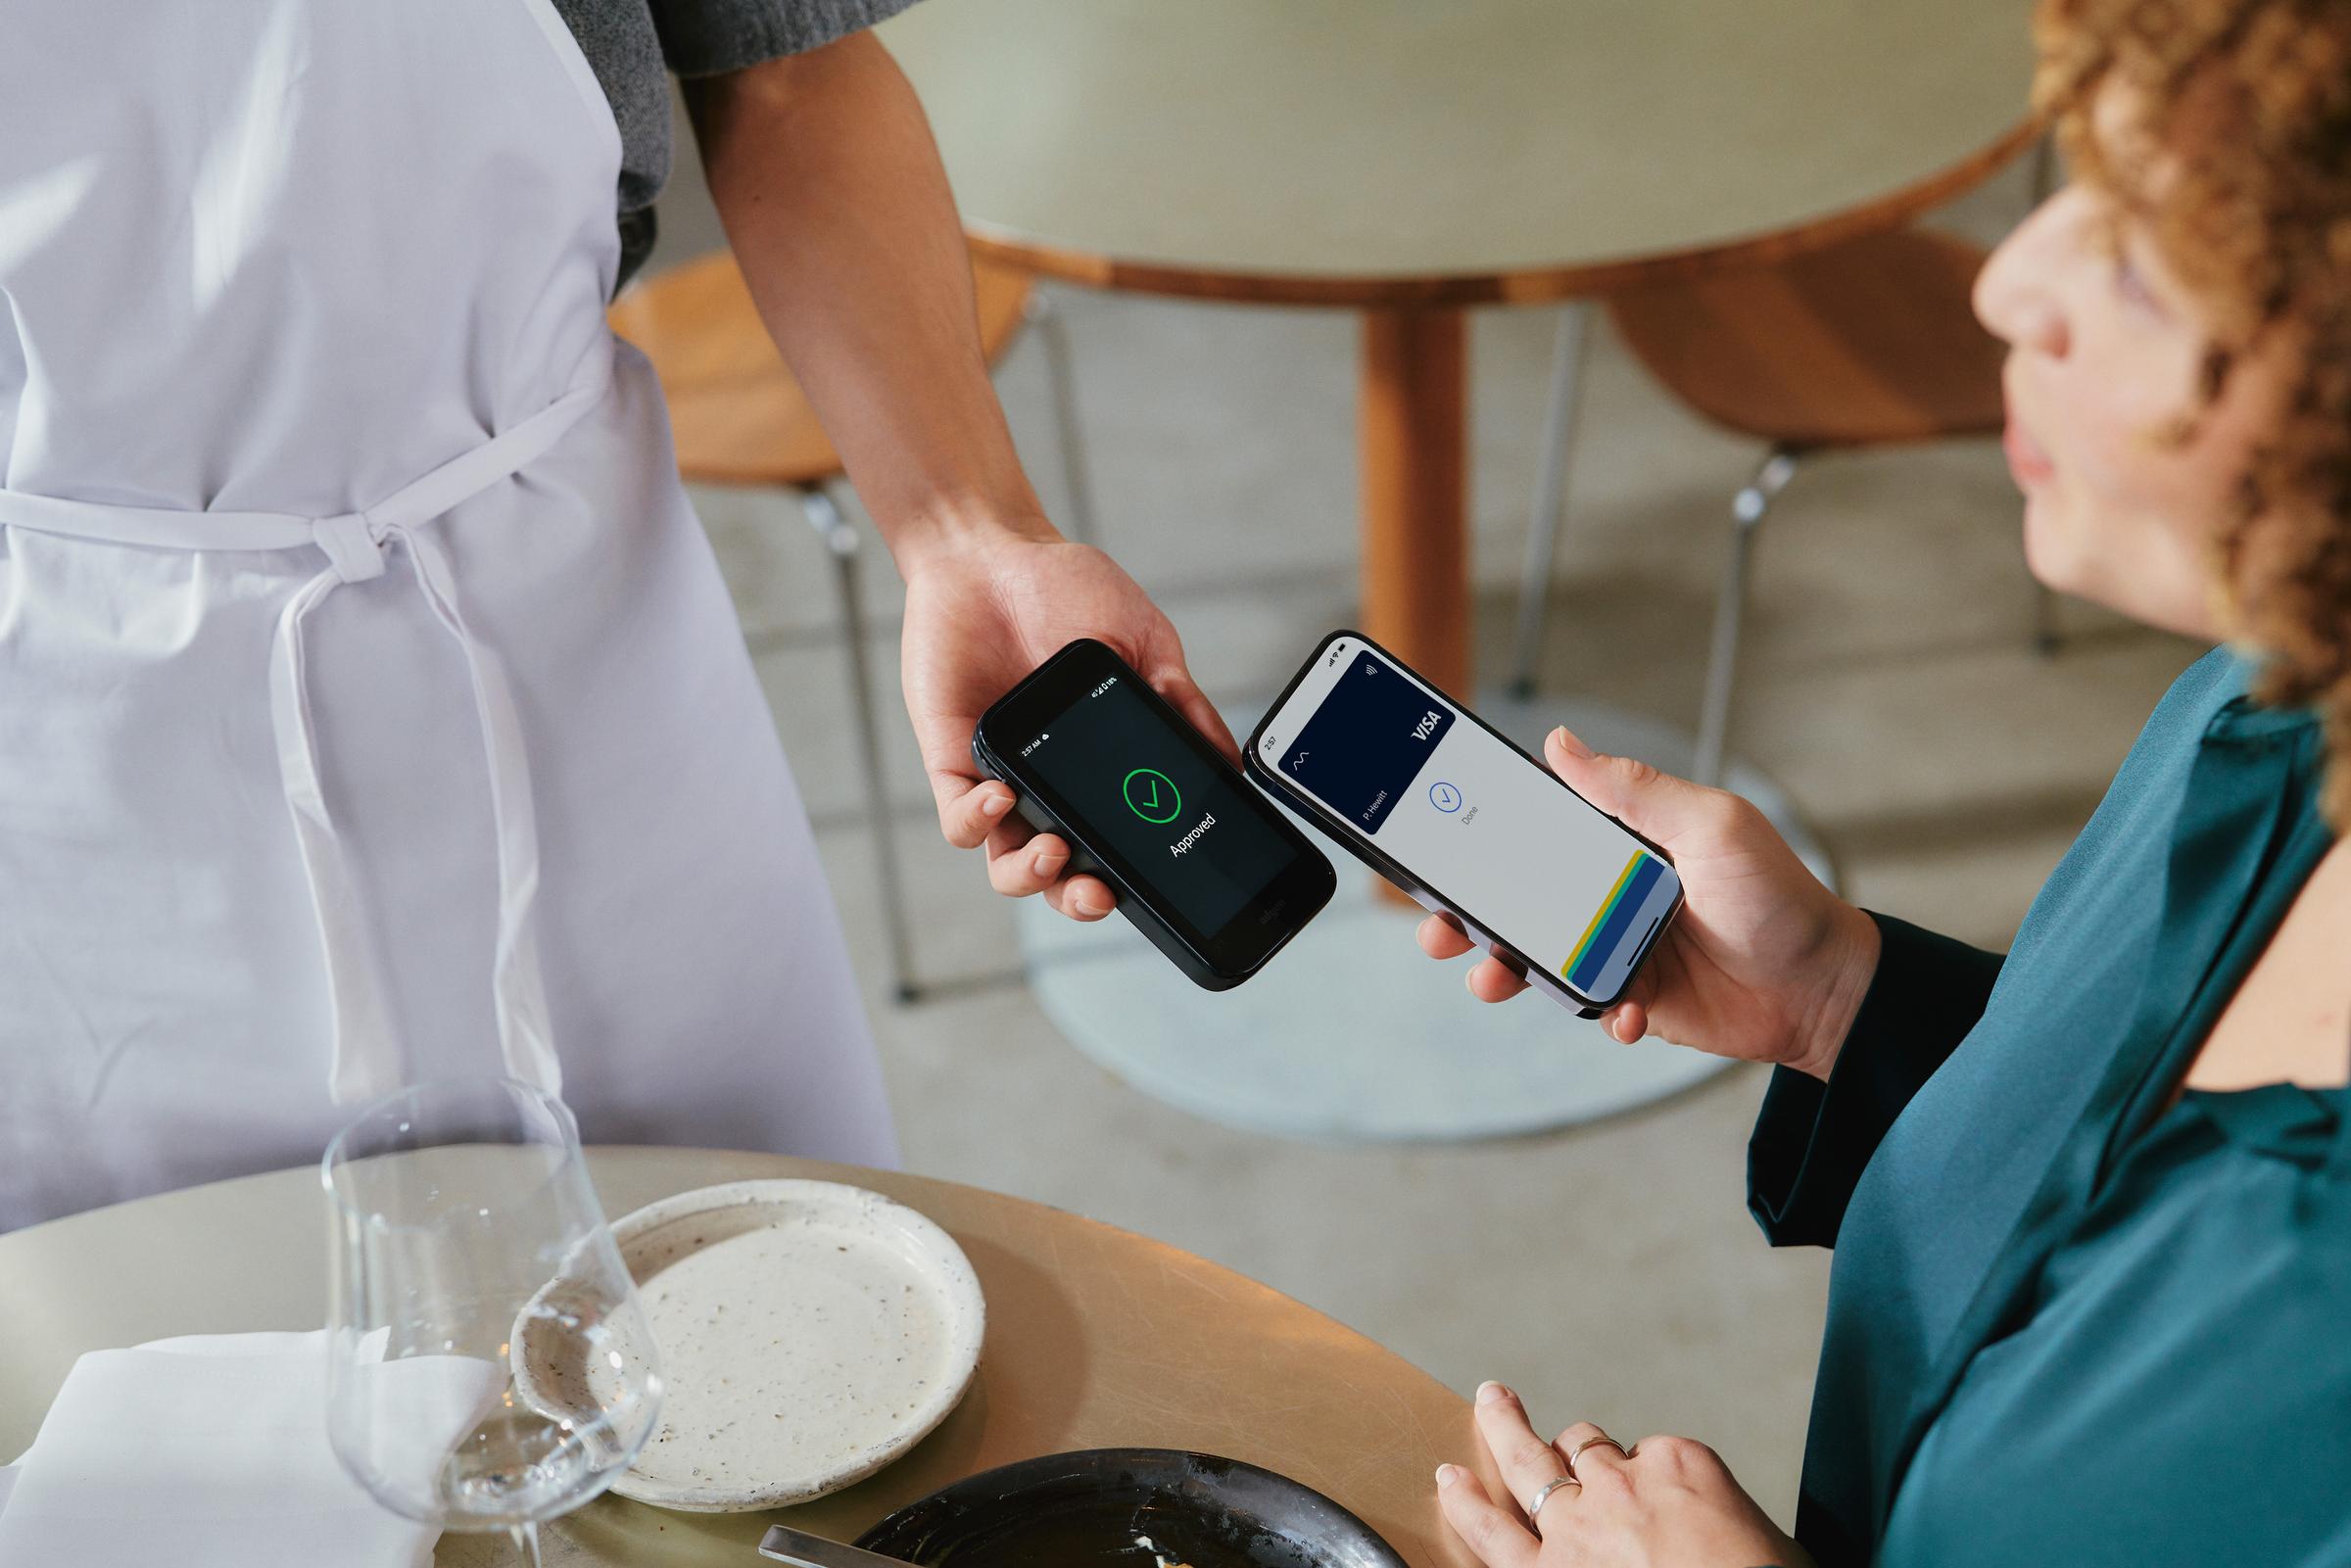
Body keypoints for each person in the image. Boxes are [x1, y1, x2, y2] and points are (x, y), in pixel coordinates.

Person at [0, 0, 1222, 1229]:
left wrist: (970, 532)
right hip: (84, 746)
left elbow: (788, 74)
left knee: (764, 1270)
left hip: (575, 641)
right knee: (148, 1303)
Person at [1415, 1, 2351, 1563]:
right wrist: (1841, 1003)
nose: (2006, 279)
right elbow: (2107, 1207)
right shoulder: (2257, 706)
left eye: (2143, 256)